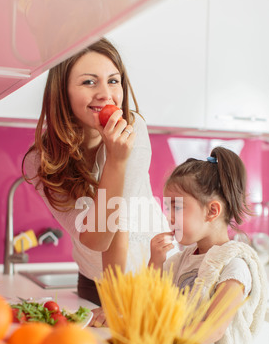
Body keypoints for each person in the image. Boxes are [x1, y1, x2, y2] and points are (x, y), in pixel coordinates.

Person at [23, 38, 167, 326]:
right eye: (89, 82)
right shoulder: (42, 162)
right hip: (95, 282)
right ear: (61, 93)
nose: (106, 95)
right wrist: (116, 161)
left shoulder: (132, 130)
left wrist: (117, 158)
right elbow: (98, 237)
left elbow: (118, 228)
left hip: (154, 275)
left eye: (114, 81)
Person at [149, 146, 269, 344]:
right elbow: (151, 300)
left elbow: (213, 328)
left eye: (177, 206)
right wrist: (155, 261)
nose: (169, 216)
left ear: (212, 211)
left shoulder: (234, 266)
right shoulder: (182, 259)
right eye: (167, 207)